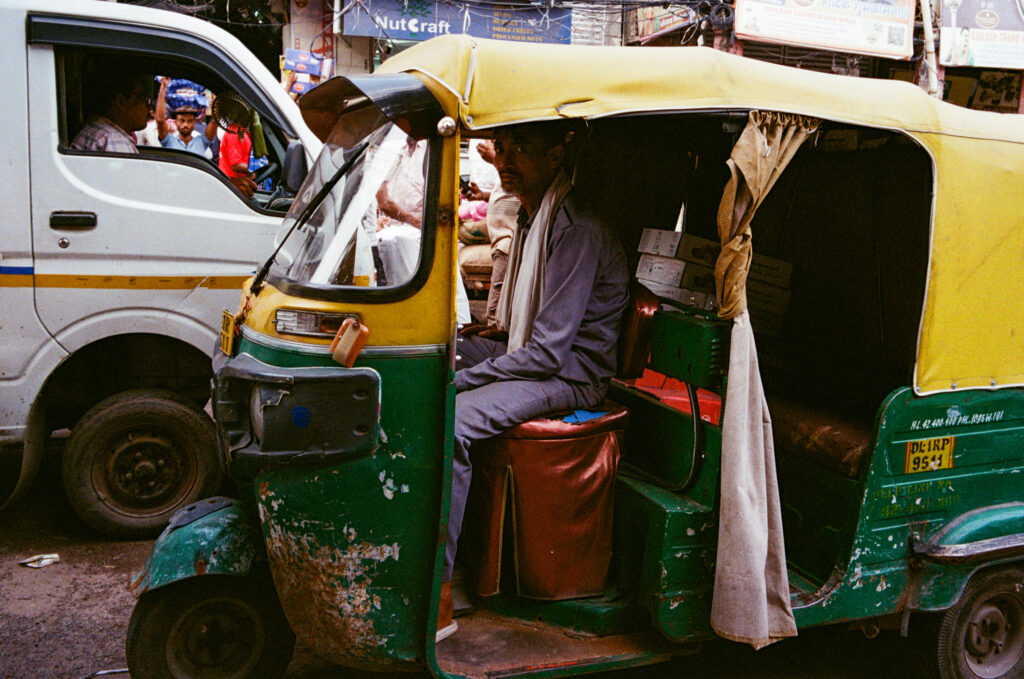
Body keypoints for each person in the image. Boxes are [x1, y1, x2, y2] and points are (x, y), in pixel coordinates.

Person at [438, 122, 630, 641]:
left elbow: (547, 351)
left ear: (555, 155)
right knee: (435, 362)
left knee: (453, 418)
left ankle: (442, 587)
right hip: (535, 355)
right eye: (502, 148)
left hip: (571, 376)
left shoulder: (575, 229)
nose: (506, 160)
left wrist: (468, 379)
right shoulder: (530, 216)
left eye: (521, 148)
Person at [71, 64, 151, 154]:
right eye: (143, 99)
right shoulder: (114, 141)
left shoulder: (96, 130)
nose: (149, 107)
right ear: (121, 102)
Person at [155, 77, 217, 158]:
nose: (185, 125)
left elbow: (214, 121)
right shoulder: (169, 141)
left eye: (190, 121)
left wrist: (215, 95)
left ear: (194, 123)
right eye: (182, 121)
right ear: (175, 122)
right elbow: (160, 120)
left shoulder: (202, 142)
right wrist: (163, 88)